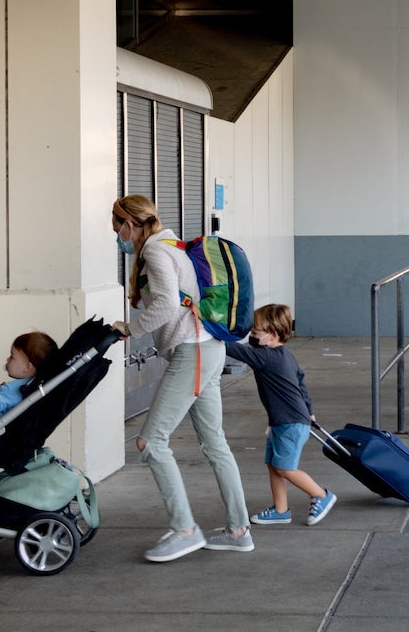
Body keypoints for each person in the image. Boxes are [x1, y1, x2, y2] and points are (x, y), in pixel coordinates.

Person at [113, 194, 251, 563]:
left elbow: (166, 304)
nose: (116, 235)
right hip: (207, 350)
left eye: (116, 226)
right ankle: (239, 531)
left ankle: (185, 530)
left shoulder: (156, 253)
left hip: (193, 353)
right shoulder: (170, 245)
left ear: (130, 223)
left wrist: (130, 328)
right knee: (215, 443)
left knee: (150, 442)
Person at [225, 303, 337, 527]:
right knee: (273, 464)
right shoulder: (285, 355)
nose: (251, 336)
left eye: (255, 333)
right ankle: (280, 509)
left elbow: (233, 349)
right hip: (284, 421)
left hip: (291, 423)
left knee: (285, 468)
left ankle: (322, 495)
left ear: (273, 335)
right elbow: (301, 382)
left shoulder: (265, 356)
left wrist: (209, 333)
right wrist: (309, 411)